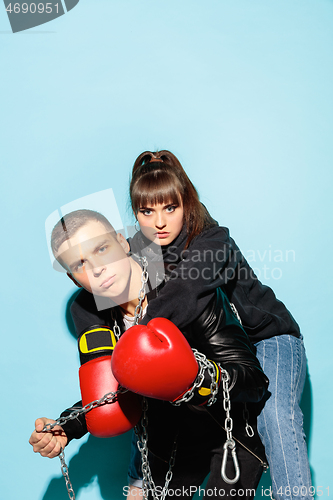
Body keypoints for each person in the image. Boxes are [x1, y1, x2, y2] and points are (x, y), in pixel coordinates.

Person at [29, 209, 269, 499]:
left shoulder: (185, 289)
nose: (97, 269)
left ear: (122, 241)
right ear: (73, 278)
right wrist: (66, 427)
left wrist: (197, 378)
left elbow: (254, 381)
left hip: (228, 433)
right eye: (80, 264)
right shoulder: (96, 318)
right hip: (169, 441)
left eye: (102, 249)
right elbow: (110, 391)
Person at [123, 150, 312, 500]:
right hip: (218, 352)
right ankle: (140, 484)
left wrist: (137, 337)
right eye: (147, 211)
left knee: (274, 415)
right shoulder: (140, 252)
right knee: (153, 394)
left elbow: (183, 295)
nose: (159, 222)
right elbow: (98, 297)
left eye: (170, 208)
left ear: (186, 204)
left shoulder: (213, 239)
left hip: (267, 338)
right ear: (136, 213)